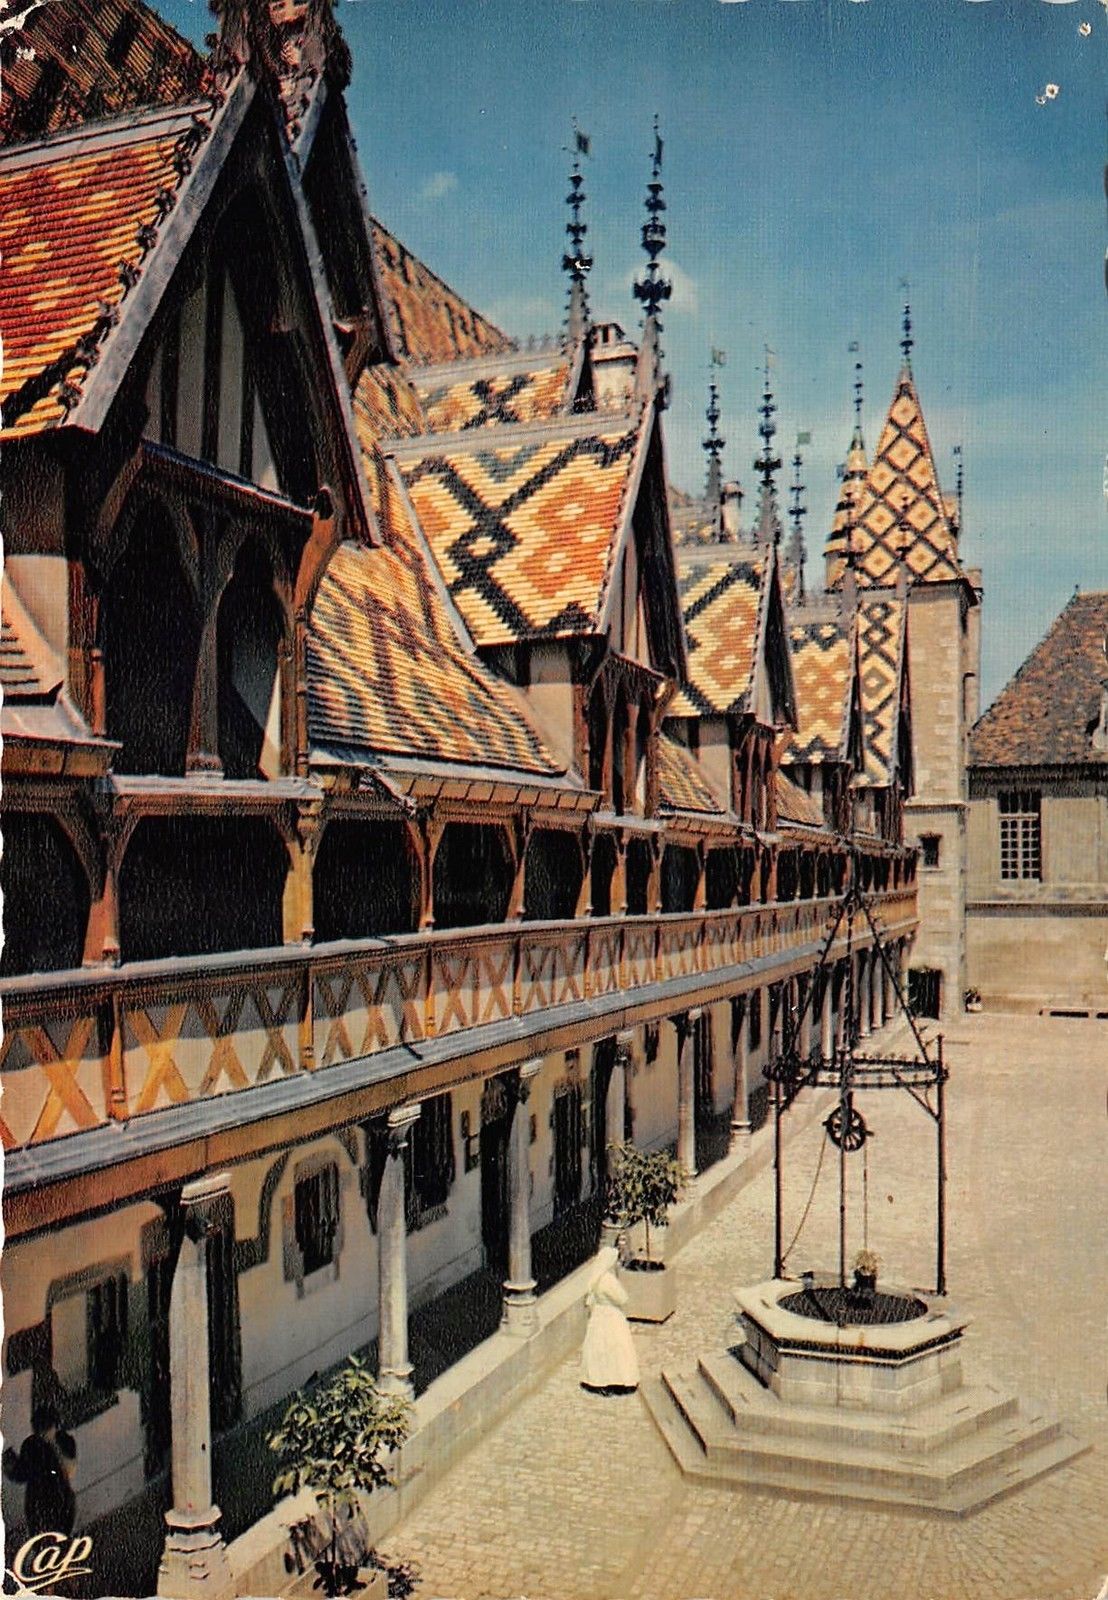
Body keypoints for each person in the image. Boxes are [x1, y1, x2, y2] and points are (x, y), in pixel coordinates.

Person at [3, 1404, 77, 1536]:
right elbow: (22, 1474)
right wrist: (9, 1465)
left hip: (60, 1499)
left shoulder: (65, 1440)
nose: (41, 1432)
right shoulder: (31, 1444)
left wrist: (53, 1443)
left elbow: (69, 1471)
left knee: (61, 1538)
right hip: (37, 1502)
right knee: (40, 1540)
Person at [580, 1246, 639, 1394]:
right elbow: (622, 1298)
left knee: (599, 1348)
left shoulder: (595, 1279)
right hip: (612, 1316)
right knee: (617, 1347)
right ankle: (620, 1379)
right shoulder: (608, 1280)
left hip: (598, 1315)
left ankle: (598, 1379)